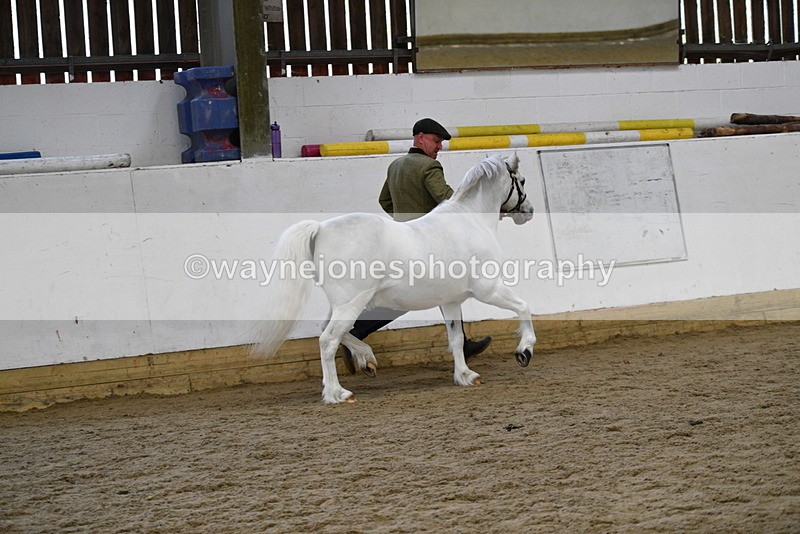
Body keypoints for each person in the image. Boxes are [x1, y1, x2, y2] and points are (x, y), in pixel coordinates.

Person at [341, 118, 492, 374]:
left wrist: (403, 220)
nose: (439, 147)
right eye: (436, 141)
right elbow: (447, 199)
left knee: (440, 291)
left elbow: (384, 200)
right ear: (420, 138)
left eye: (441, 142)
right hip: (425, 243)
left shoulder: (395, 165)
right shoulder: (430, 167)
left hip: (399, 239)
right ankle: (357, 331)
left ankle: (462, 344)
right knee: (420, 295)